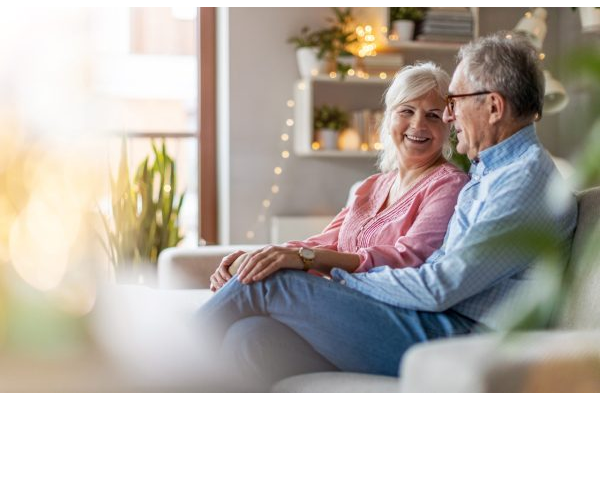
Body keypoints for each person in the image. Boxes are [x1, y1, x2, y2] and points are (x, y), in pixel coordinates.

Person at [198, 33, 578, 390]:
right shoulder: (490, 171)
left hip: (461, 338)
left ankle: (150, 373)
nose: (448, 117)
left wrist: (332, 274)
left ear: (493, 107)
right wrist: (287, 260)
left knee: (273, 283)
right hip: (436, 323)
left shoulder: (522, 180)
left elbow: (437, 287)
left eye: (453, 102)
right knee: (250, 338)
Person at [209, 62, 468, 292]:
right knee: (248, 330)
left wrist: (302, 257)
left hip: (380, 306)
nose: (418, 124)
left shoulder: (448, 184)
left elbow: (407, 259)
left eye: (433, 115)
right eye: (407, 111)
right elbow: (321, 245)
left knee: (257, 286)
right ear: (389, 118)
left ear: (449, 126)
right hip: (340, 294)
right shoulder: (372, 186)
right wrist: (261, 255)